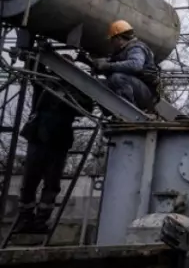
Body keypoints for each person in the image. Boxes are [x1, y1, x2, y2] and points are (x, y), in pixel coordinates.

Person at [13, 66, 92, 234]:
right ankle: (25, 219)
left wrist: (69, 97)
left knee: (51, 184)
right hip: (39, 137)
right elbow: (34, 71)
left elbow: (87, 106)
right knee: (30, 182)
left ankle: (41, 220)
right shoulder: (44, 81)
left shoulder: (75, 88)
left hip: (58, 140)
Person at [92, 19, 160, 112]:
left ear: (119, 38)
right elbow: (117, 64)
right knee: (98, 84)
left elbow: (135, 65)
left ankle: (128, 111)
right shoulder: (121, 52)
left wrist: (108, 66)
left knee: (117, 78)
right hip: (136, 89)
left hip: (146, 93)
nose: (111, 43)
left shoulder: (136, 48)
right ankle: (112, 111)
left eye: (112, 40)